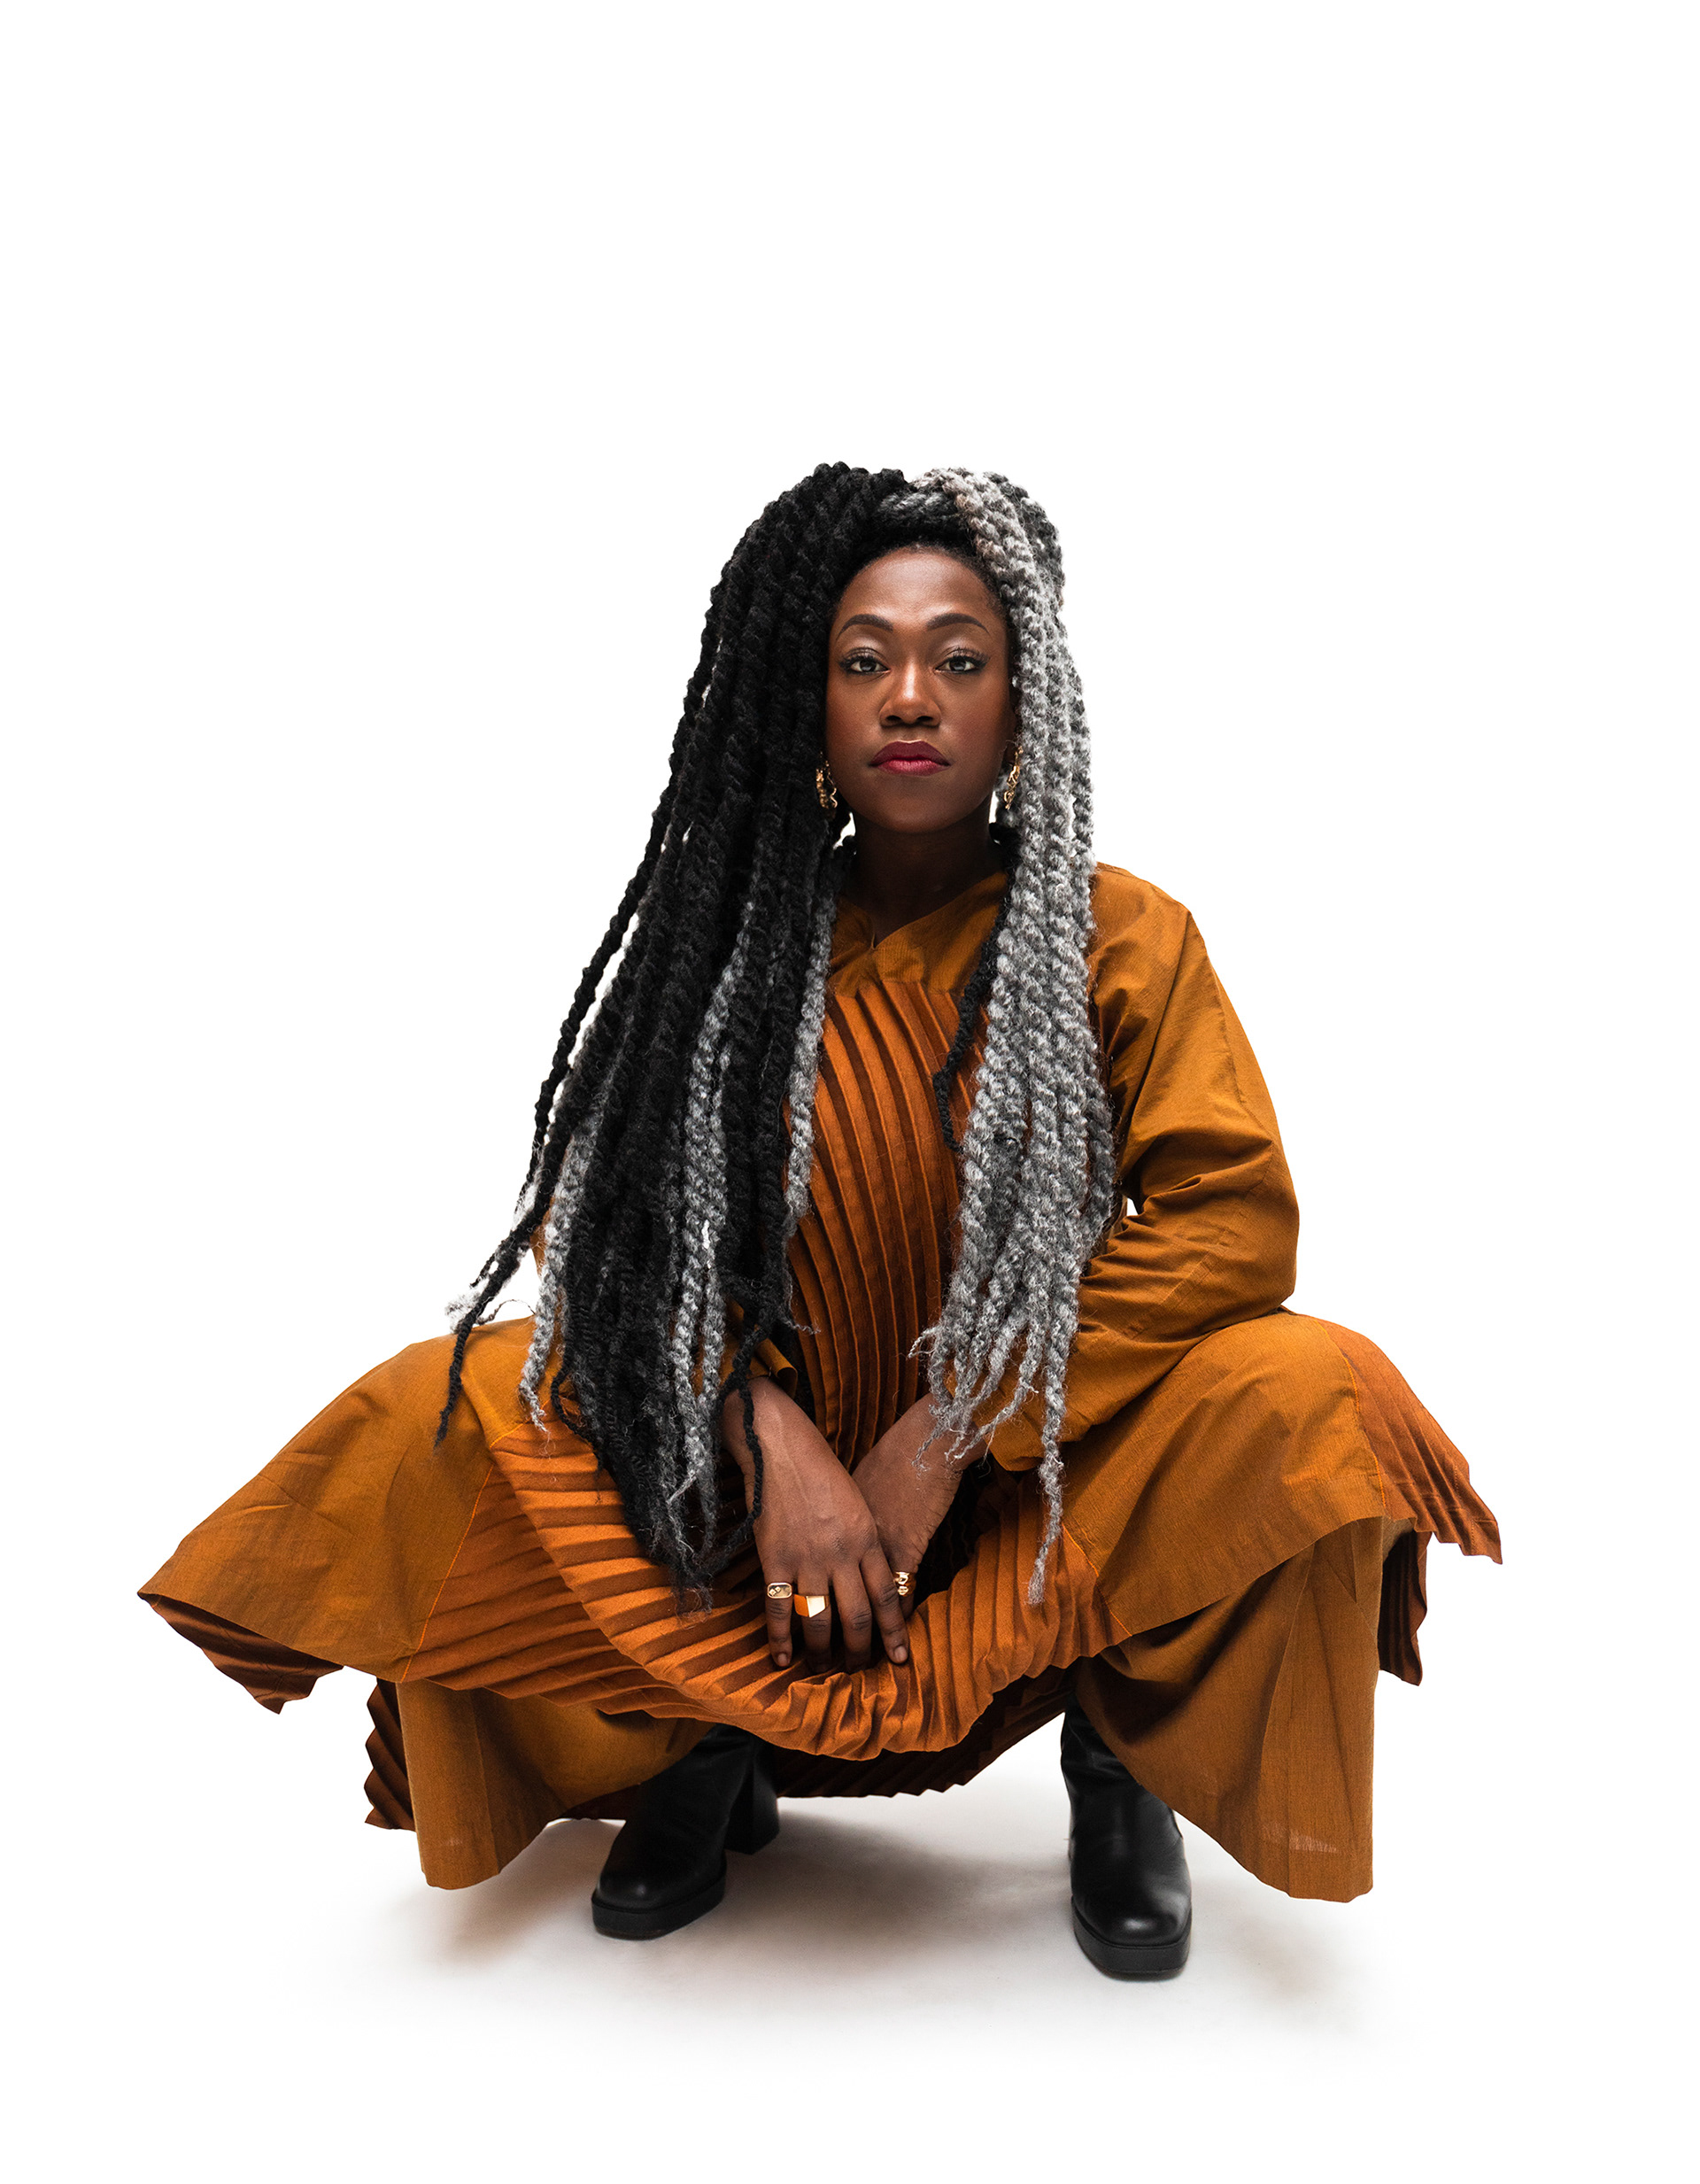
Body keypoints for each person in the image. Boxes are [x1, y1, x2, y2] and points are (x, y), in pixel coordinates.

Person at [141, 464, 1499, 1979]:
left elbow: (1228, 1224)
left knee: (1318, 1394)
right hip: (748, 1518)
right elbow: (612, 1238)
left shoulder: (1126, 937)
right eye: (864, 660)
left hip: (1033, 1498)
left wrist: (953, 1431)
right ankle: (696, 1743)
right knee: (445, 1403)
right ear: (807, 702)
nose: (910, 696)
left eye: (960, 659)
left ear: (1026, 703)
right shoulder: (718, 942)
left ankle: (1120, 1760)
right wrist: (765, 1434)